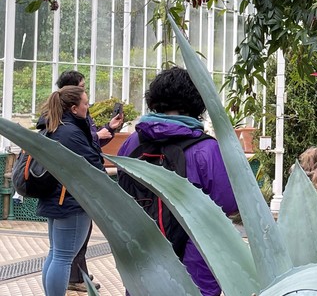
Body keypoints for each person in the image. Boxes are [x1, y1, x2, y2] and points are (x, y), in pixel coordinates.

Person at [117, 67, 238, 296]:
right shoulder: (207, 150)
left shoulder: (132, 144)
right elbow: (227, 205)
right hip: (196, 266)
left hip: (143, 262)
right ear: (197, 102)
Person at [55, 70, 123, 291]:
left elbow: (85, 147)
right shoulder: (69, 128)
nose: (88, 103)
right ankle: (73, 276)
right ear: (73, 103)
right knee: (63, 255)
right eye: (83, 92)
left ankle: (77, 274)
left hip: (67, 195)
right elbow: (84, 153)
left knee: (61, 253)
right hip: (72, 196)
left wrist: (108, 130)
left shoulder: (63, 122)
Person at [36, 86, 105, 296]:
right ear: (74, 108)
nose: (88, 107)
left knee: (56, 253)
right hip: (71, 201)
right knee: (64, 257)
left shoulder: (53, 127)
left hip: (54, 198)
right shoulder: (71, 132)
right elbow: (93, 165)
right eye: (85, 103)